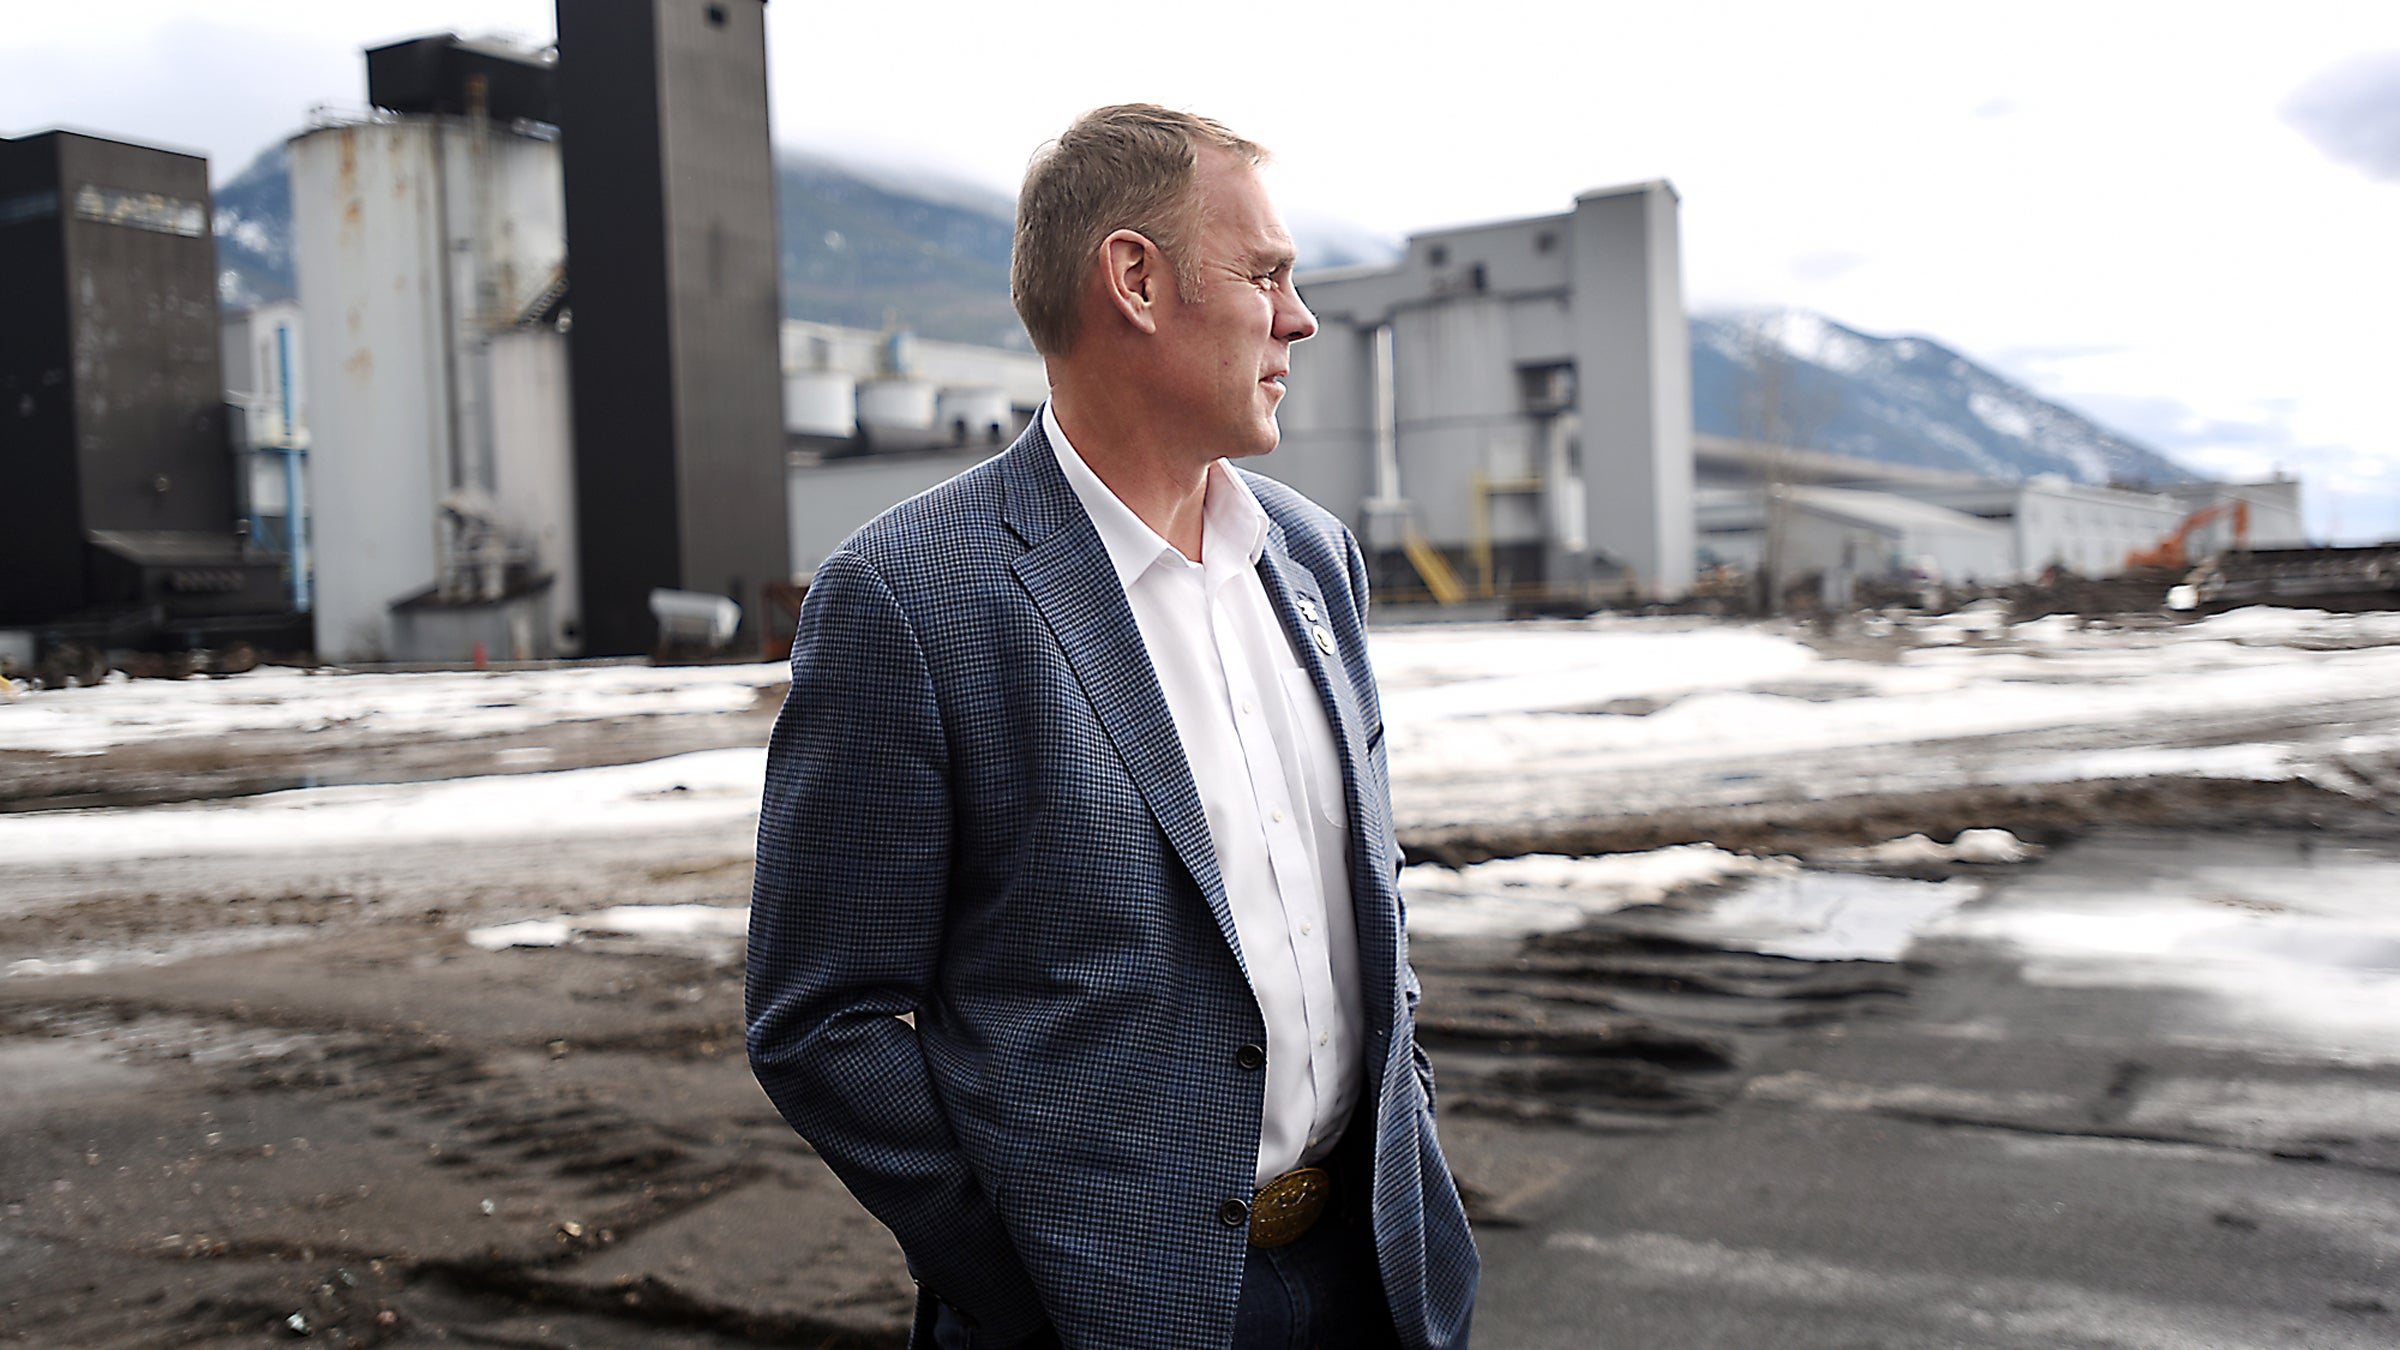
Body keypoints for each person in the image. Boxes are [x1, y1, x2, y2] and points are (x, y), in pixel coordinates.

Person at [746, 104, 1477, 1350]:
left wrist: (1400, 1118)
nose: (1298, 320)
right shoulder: (913, 597)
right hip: (1097, 1316)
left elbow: (1368, 897)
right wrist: (1041, 1279)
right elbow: (823, 1021)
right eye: (1265, 275)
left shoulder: (1313, 558)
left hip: (1373, 1275)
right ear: (1136, 281)